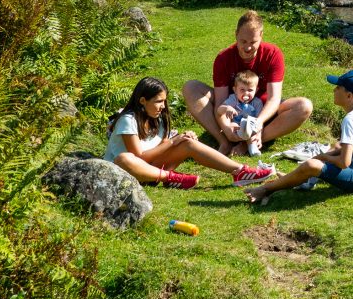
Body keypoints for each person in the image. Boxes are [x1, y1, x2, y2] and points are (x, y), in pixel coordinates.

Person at [243, 70, 353, 206]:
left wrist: (323, 157)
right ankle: (296, 178)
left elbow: (344, 162)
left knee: (312, 165)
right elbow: (345, 149)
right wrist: (327, 156)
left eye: (338, 87)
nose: (334, 90)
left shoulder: (351, 119)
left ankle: (266, 189)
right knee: (336, 146)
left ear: (349, 96)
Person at [106, 76, 275, 188]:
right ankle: (171, 178)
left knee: (188, 143)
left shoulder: (158, 117)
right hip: (127, 172)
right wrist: (173, 142)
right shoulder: (128, 120)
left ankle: (240, 171)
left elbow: (160, 147)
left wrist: (179, 140)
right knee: (124, 158)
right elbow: (140, 157)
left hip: (151, 171)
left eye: (164, 101)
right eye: (158, 101)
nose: (163, 106)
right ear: (142, 101)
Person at [182, 10, 312, 153]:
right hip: (233, 109)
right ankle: (224, 141)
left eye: (253, 42)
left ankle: (253, 140)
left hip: (263, 111)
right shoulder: (223, 58)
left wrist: (258, 123)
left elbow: (274, 99)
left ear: (261, 36)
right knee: (191, 87)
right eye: (243, 41)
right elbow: (221, 101)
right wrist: (225, 127)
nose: (248, 47)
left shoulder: (273, 54)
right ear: (236, 34)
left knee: (304, 106)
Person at [217, 69, 267, 156]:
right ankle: (229, 143)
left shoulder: (257, 102)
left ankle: (252, 148)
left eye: (250, 90)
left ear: (256, 90)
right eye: (242, 90)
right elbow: (219, 110)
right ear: (235, 90)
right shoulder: (233, 99)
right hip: (235, 129)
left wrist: (259, 134)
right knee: (232, 126)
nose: (246, 93)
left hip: (249, 129)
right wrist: (227, 108)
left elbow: (259, 121)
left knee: (253, 132)